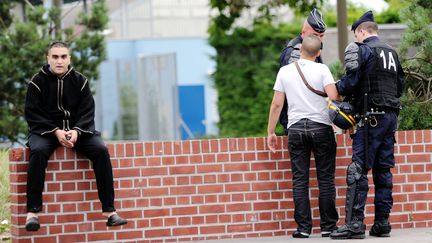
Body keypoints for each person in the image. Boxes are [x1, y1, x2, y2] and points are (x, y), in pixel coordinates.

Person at [24, 41, 127, 231]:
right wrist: (56, 131)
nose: (59, 61)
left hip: (77, 131)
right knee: (37, 152)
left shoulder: (80, 81)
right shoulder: (36, 82)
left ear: (69, 58)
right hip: (46, 131)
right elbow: (32, 113)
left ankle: (110, 212)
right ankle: (33, 213)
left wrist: (77, 131)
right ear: (48, 59)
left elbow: (88, 111)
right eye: (55, 57)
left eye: (63, 56)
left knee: (101, 150)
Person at [330, 11, 404, 240]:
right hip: (391, 118)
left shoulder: (363, 50)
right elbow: (400, 88)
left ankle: (354, 224)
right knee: (383, 171)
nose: (356, 38)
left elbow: (351, 83)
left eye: (356, 34)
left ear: (362, 31)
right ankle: (382, 223)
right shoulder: (392, 53)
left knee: (357, 169)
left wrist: (336, 87)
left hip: (371, 117)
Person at [267, 35, 340, 238]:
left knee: (300, 180)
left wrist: (271, 131)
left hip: (296, 129)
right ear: (318, 53)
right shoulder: (323, 69)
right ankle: (328, 227)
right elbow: (334, 98)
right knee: (325, 179)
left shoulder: (285, 71)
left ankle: (303, 229)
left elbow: (276, 104)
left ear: (299, 51)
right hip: (321, 128)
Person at [278, 8, 327, 135]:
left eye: (321, 36)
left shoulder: (312, 46)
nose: (319, 40)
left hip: (312, 118)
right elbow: (292, 89)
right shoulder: (294, 51)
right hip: (296, 119)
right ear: (303, 32)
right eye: (315, 35)